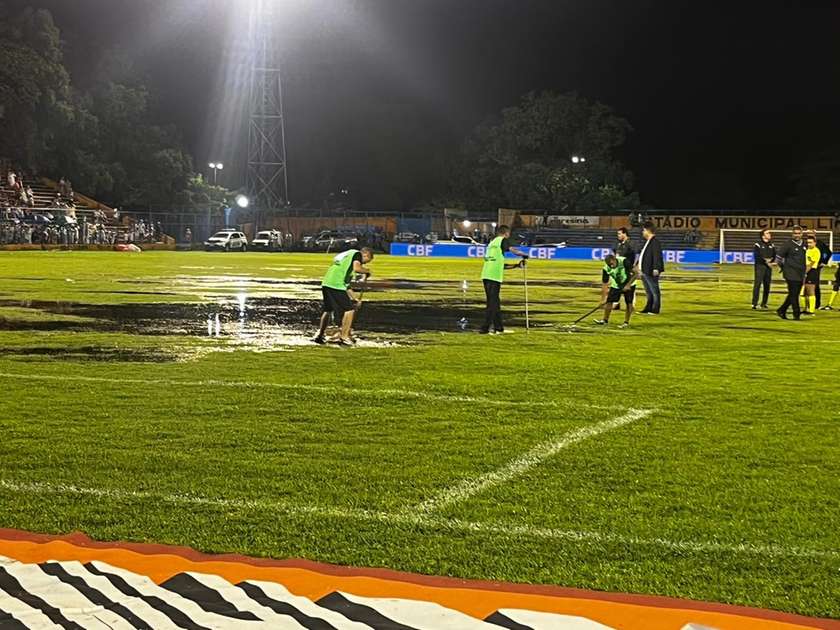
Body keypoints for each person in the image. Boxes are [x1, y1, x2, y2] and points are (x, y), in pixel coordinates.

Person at [313, 247, 374, 346]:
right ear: (365, 255)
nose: (364, 264)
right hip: (335, 284)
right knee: (349, 310)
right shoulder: (357, 254)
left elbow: (346, 285)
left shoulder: (347, 257)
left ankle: (320, 335)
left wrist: (355, 298)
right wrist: (367, 271)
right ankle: (344, 337)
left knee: (328, 309)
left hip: (327, 282)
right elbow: (357, 268)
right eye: (367, 261)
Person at [479, 224, 529, 334]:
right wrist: (524, 255)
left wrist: (516, 266)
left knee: (495, 303)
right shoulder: (502, 240)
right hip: (494, 277)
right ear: (506, 233)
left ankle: (499, 328)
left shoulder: (492, 244)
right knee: (492, 304)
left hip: (487, 275)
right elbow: (514, 251)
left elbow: (500, 264)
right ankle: (484, 328)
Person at [594, 254, 638, 328]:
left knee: (629, 303)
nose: (611, 266)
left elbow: (636, 273)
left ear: (614, 260)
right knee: (609, 301)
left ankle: (626, 322)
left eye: (612, 264)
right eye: (609, 265)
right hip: (616, 285)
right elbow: (605, 284)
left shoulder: (624, 261)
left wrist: (628, 285)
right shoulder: (606, 269)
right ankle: (605, 320)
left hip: (629, 283)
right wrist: (603, 299)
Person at [776, 226, 806, 320]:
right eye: (795, 233)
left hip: (800, 273)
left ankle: (781, 310)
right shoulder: (787, 244)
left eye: (799, 233)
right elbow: (778, 258)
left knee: (794, 294)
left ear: (802, 234)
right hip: (790, 273)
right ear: (792, 234)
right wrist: (784, 267)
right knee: (794, 294)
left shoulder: (804, 245)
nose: (797, 235)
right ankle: (796, 314)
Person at [602, 227, 635, 311]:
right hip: (619, 269)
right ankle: (616, 304)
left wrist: (635, 266)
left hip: (627, 269)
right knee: (617, 286)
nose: (618, 235)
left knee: (629, 287)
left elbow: (636, 254)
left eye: (619, 233)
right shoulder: (619, 244)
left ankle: (631, 305)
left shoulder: (631, 244)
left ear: (625, 234)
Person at [638, 221, 664, 314]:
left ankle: (655, 309)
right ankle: (648, 307)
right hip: (645, 270)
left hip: (650, 270)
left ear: (647, 230)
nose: (642, 232)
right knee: (649, 291)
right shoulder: (648, 242)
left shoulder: (655, 242)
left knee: (654, 290)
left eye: (643, 230)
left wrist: (656, 268)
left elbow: (657, 255)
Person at [752, 228, 776, 309]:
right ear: (763, 236)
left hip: (768, 267)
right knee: (757, 284)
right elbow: (757, 256)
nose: (770, 234)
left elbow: (774, 255)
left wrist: (772, 261)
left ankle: (764, 303)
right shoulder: (757, 244)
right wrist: (766, 262)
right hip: (760, 266)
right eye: (767, 233)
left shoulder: (772, 245)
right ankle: (754, 303)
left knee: (767, 285)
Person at [809, 230, 833, 308]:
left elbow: (828, 252)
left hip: (816, 266)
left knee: (815, 285)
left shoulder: (819, 243)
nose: (810, 235)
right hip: (807, 266)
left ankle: (817, 303)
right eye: (808, 233)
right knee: (807, 285)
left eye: (811, 233)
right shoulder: (805, 243)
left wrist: (824, 261)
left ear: (814, 234)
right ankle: (809, 303)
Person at [802, 234, 821, 316]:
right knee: (805, 292)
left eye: (810, 242)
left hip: (812, 271)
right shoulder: (807, 250)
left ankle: (811, 310)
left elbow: (811, 264)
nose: (809, 244)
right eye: (808, 243)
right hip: (806, 270)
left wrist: (804, 272)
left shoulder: (816, 251)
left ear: (815, 243)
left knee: (810, 291)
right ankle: (805, 309)